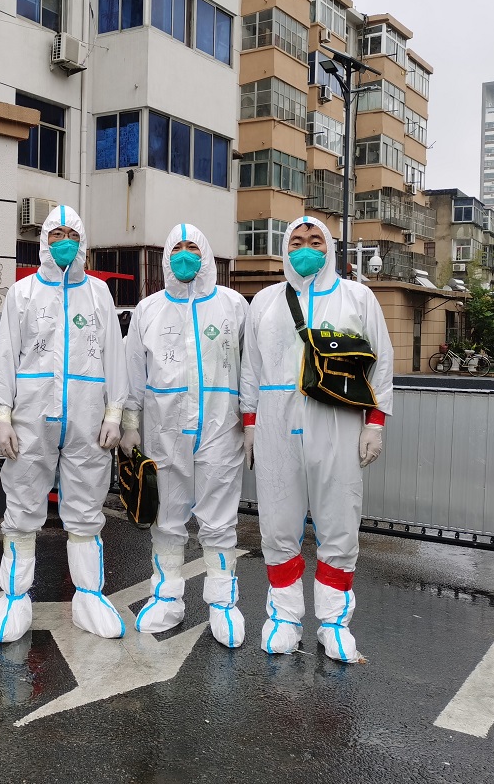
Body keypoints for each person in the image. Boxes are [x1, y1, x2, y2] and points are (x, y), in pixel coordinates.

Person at [241, 216, 393, 663]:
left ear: (329, 247)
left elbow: (381, 362)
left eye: (315, 240)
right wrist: (250, 422)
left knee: (338, 521)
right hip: (275, 424)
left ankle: (334, 623)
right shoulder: (266, 301)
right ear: (284, 249)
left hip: (337, 421)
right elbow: (250, 367)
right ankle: (284, 617)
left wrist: (375, 422)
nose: (305, 248)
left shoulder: (357, 297)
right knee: (278, 522)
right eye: (296, 241)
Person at [0, 205, 127, 643]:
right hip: (30, 418)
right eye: (56, 234)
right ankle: (15, 597)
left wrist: (115, 411)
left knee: (86, 508)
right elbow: (5, 356)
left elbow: (114, 354)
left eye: (72, 234)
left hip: (87, 418)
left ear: (81, 241)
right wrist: (1, 414)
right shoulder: (23, 293)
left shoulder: (98, 293)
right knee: (22, 507)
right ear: (43, 240)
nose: (64, 242)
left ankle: (89, 596)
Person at [118, 224, 251, 648]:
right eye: (177, 248)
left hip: (221, 429)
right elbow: (133, 370)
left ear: (206, 253)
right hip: (164, 431)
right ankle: (166, 596)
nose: (185, 254)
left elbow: (250, 368)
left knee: (220, 520)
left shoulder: (232, 305)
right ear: (165, 256)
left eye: (193, 246)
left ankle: (223, 603)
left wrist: (251, 421)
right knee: (167, 518)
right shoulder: (149, 309)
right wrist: (130, 423)